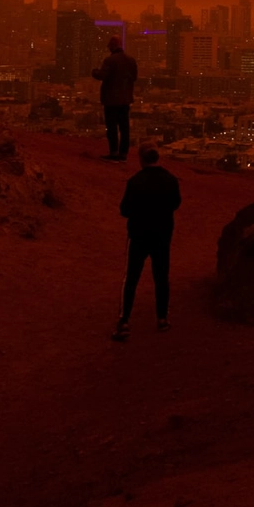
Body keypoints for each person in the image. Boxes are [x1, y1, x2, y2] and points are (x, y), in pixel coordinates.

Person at [113, 147, 180, 341]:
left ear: (141, 159)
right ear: (158, 158)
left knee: (131, 278)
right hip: (162, 234)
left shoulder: (136, 182)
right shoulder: (170, 180)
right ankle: (162, 319)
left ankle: (124, 321)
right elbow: (176, 204)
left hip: (139, 234)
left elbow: (125, 209)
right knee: (161, 277)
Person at [92, 35, 139, 161]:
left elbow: (102, 75)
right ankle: (123, 154)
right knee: (124, 127)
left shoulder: (109, 60)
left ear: (112, 46)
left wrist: (94, 72)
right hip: (125, 99)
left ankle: (113, 152)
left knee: (112, 127)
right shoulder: (131, 60)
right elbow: (134, 78)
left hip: (111, 100)